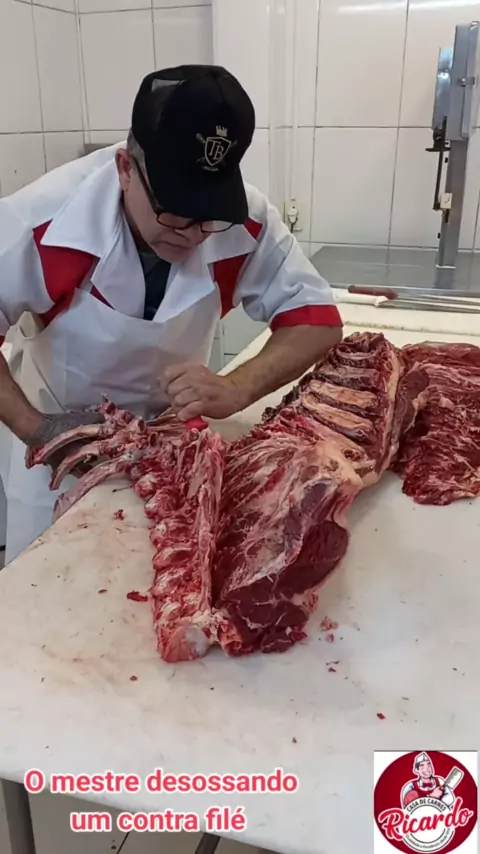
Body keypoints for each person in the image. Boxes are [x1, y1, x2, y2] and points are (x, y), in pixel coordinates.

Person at [0, 64, 342, 564]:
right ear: (125, 168)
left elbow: (316, 319)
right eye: (174, 211)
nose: (193, 234)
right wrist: (39, 431)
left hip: (174, 454)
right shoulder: (43, 220)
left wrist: (238, 387)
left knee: (166, 589)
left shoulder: (243, 221)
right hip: (60, 461)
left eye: (208, 215)